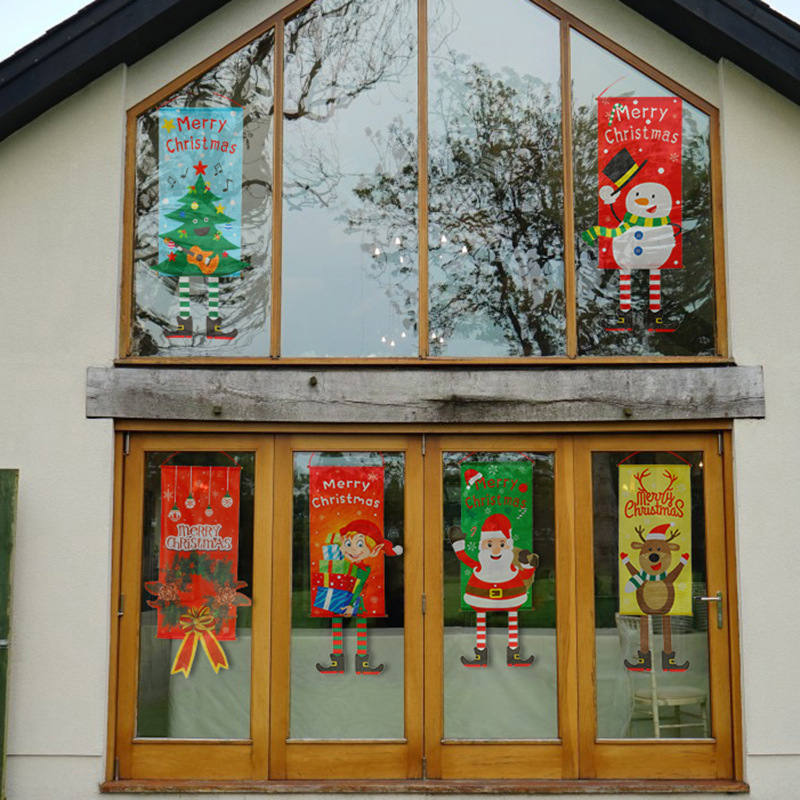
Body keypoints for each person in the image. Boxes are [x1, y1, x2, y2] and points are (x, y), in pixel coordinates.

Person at [448, 513, 538, 667]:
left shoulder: (510, 569)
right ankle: (481, 655)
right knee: (481, 620)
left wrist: (528, 565)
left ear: (508, 545)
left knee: (512, 619)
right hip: (481, 596)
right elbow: (464, 558)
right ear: (482, 545)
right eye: (489, 545)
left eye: (502, 545)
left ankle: (514, 654)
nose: (496, 551)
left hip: (510, 596)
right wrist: (458, 544)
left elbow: (525, 574)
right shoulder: (483, 567)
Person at [315, 519, 402, 675]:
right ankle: (337, 661)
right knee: (337, 624)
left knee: (361, 625)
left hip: (355, 601)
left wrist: (351, 604)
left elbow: (358, 588)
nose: (353, 549)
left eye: (360, 544)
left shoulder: (363, 569)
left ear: (374, 551)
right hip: (339, 598)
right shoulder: (340, 562)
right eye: (348, 543)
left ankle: (362, 661)